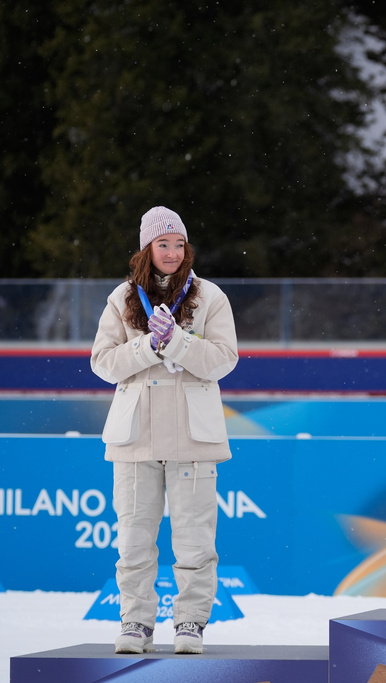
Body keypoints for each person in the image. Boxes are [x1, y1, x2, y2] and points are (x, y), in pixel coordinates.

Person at [91, 206, 238, 654]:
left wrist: (177, 341)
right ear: (146, 249)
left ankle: (190, 623)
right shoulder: (122, 298)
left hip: (194, 439)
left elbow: (223, 359)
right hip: (136, 438)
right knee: (134, 541)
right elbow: (103, 363)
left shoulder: (209, 295)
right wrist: (147, 347)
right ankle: (136, 622)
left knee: (195, 542)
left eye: (178, 244)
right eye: (162, 243)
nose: (172, 252)